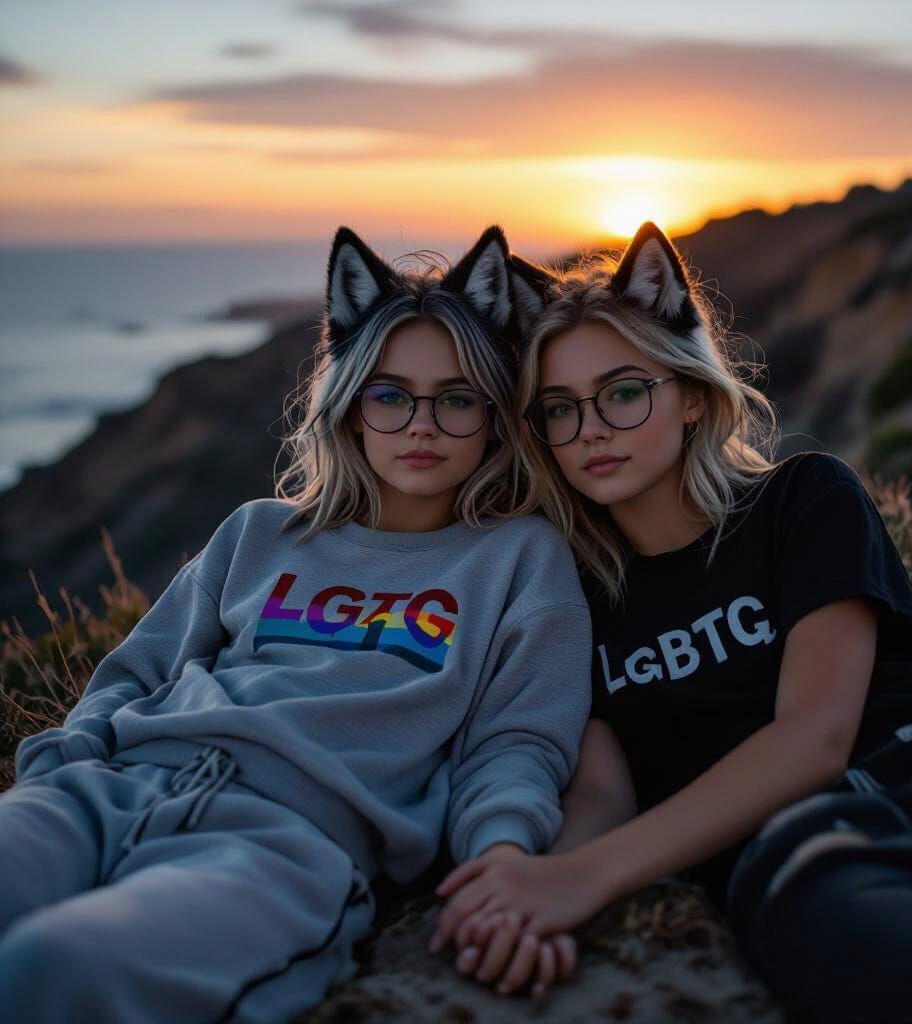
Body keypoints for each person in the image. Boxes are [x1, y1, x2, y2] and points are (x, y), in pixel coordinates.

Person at [429, 221, 912, 1020]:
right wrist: (528, 897)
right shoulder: (567, 596)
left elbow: (815, 736)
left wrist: (587, 878)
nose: (591, 428)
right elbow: (604, 795)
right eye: (559, 409)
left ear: (690, 393)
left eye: (624, 390)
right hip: (809, 848)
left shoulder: (802, 499)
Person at [0, 225, 592, 1023]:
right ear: (350, 409)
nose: (422, 423)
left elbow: (516, 743)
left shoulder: (520, 558)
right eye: (390, 395)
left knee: (55, 969)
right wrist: (62, 771)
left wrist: (502, 860)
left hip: (282, 845)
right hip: (98, 794)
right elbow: (135, 677)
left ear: (495, 417)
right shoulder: (258, 532)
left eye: (457, 399)